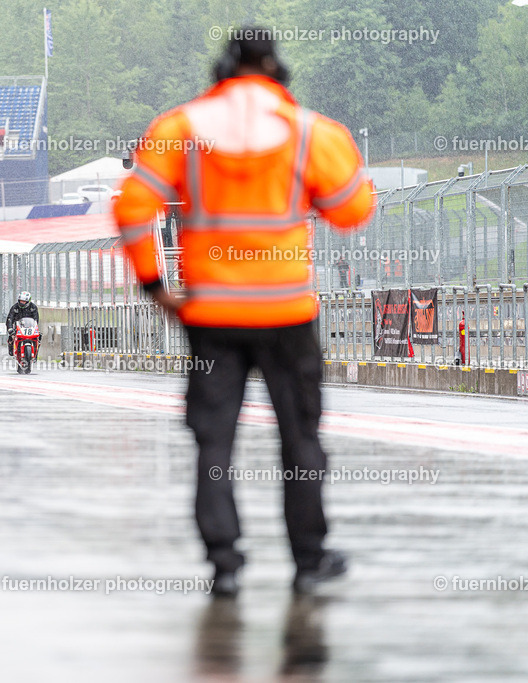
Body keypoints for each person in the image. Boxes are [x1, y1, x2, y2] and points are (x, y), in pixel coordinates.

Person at [112, 29, 374, 597]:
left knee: (214, 441)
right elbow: (353, 208)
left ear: (221, 72)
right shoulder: (308, 132)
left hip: (211, 317)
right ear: (279, 73)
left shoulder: (180, 129)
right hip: (286, 313)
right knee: (300, 437)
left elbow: (132, 207)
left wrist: (156, 284)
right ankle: (308, 560)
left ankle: (225, 562)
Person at [6, 291, 38, 356]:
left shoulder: (33, 307)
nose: (22, 303)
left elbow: (36, 319)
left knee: (38, 337)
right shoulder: (15, 307)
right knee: (11, 337)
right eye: (21, 301)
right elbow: (10, 318)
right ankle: (11, 349)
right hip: (18, 327)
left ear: (28, 301)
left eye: (24, 301)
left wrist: (35, 327)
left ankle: (35, 352)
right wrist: (10, 328)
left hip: (29, 327)